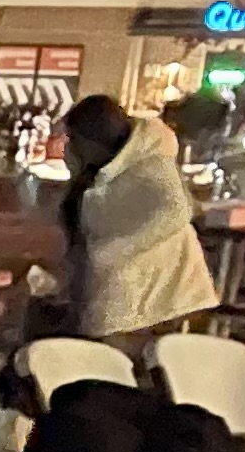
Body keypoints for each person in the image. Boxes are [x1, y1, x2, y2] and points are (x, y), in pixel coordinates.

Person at [60, 93, 218, 341]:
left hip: (161, 304)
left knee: (127, 368)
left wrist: (109, 253)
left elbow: (176, 210)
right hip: (129, 299)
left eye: (75, 139)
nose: (70, 147)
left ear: (95, 141)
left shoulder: (150, 165)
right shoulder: (101, 171)